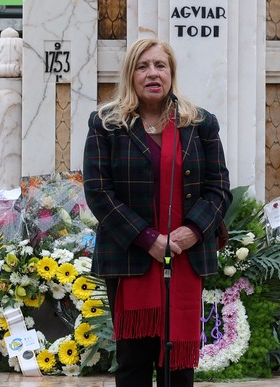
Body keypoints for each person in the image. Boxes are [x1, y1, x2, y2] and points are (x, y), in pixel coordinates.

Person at [83, 37, 231, 387]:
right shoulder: (106, 125)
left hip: (184, 255)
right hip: (130, 256)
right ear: (130, 75)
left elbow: (218, 188)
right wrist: (148, 239)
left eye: (160, 65)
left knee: (177, 364)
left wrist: (192, 231)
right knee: (133, 359)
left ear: (171, 73)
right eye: (143, 66)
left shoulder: (200, 124)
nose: (153, 73)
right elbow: (99, 192)